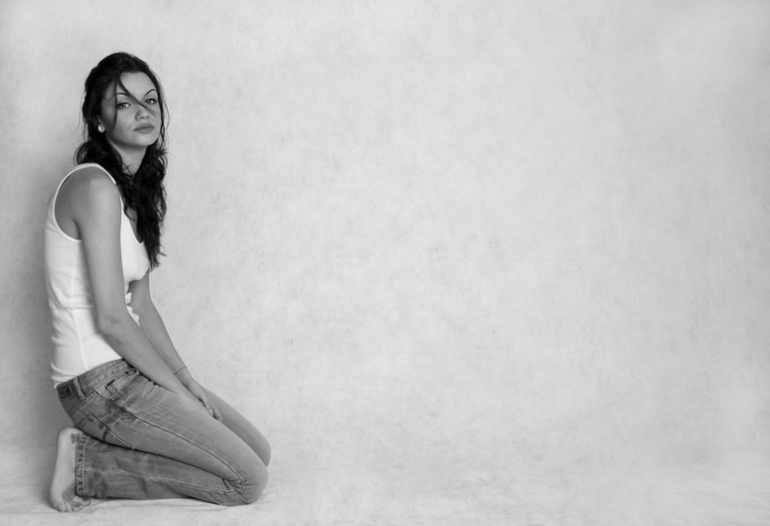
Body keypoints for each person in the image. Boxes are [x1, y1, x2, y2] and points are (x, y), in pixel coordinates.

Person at [43, 52, 270, 512]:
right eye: (124, 103)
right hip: (96, 384)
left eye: (149, 100)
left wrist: (188, 380)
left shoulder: (135, 194)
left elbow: (142, 306)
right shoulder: (93, 188)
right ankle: (85, 462)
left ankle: (121, 447)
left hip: (129, 369)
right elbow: (112, 318)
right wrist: (178, 394)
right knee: (246, 481)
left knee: (256, 452)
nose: (142, 111)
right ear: (99, 120)